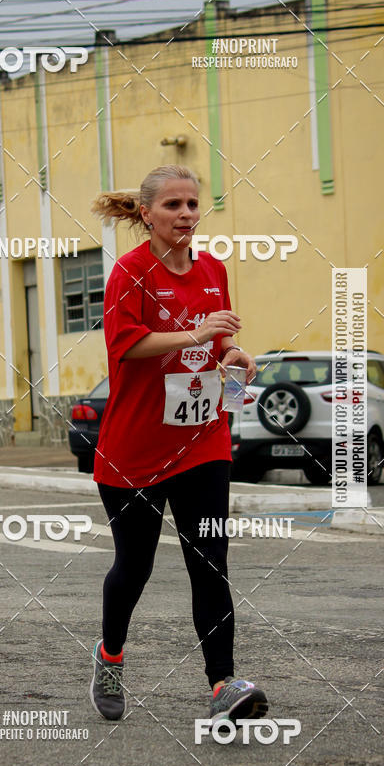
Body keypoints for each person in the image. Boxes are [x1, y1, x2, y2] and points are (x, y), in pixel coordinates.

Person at [88, 164, 268, 726]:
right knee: (133, 568)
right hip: (134, 450)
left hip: (202, 442)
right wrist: (195, 332)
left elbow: (219, 341)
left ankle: (224, 684)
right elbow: (125, 344)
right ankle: (110, 656)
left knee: (210, 563)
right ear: (146, 214)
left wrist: (233, 356)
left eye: (192, 204)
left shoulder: (213, 269)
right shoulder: (130, 272)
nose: (186, 214)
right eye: (172, 206)